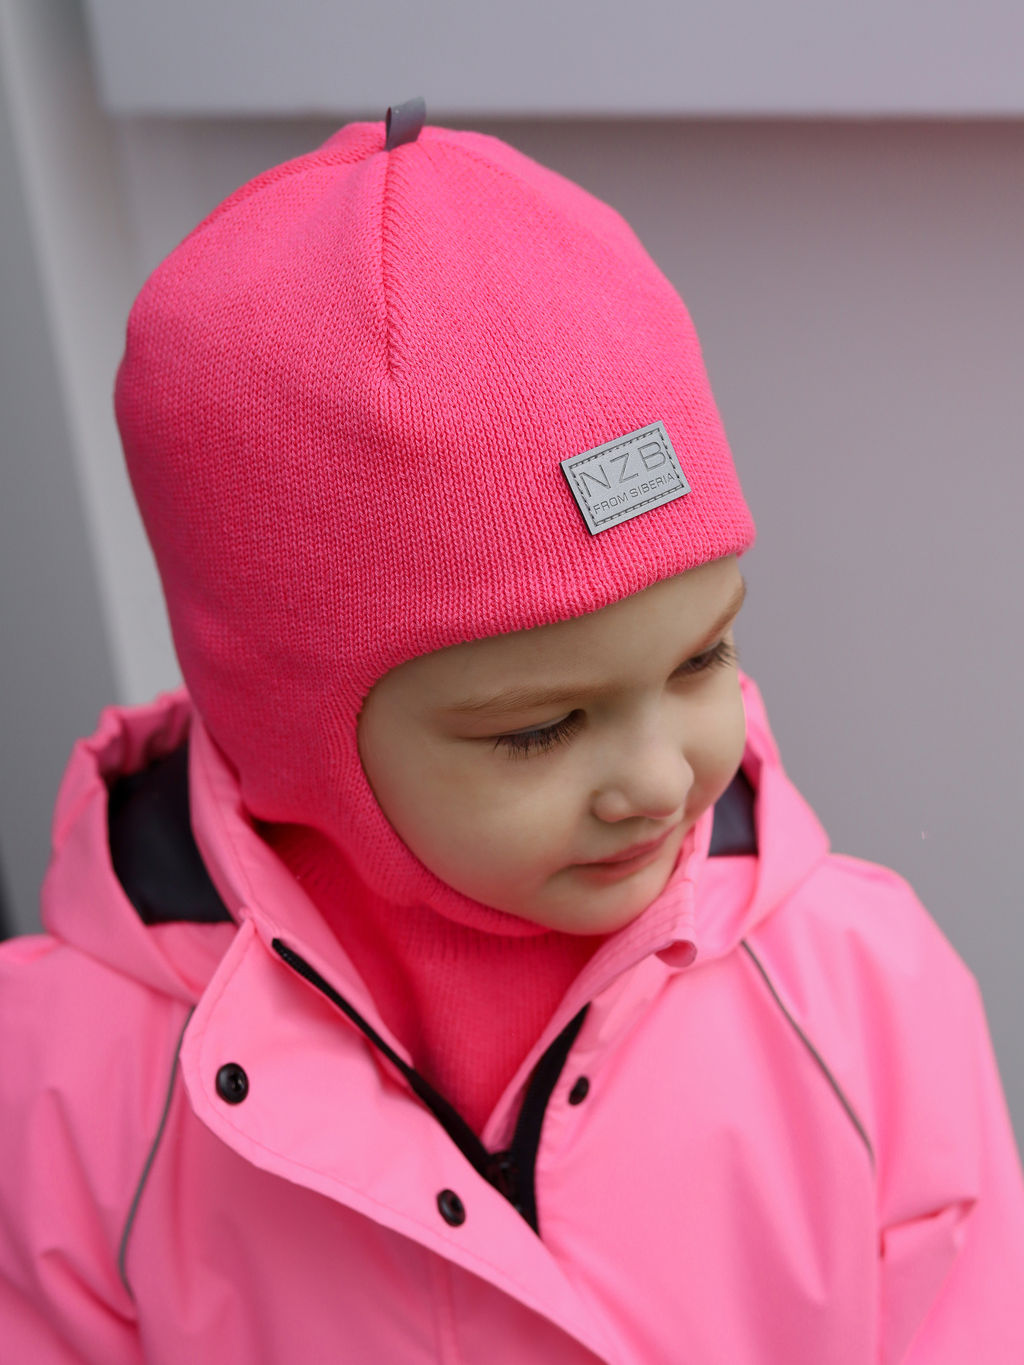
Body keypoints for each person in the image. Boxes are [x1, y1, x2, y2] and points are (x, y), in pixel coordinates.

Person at [1, 98, 1022, 1364]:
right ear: (288, 728)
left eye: (700, 658)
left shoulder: (863, 990)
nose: (659, 779)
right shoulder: (69, 1088)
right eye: (540, 730)